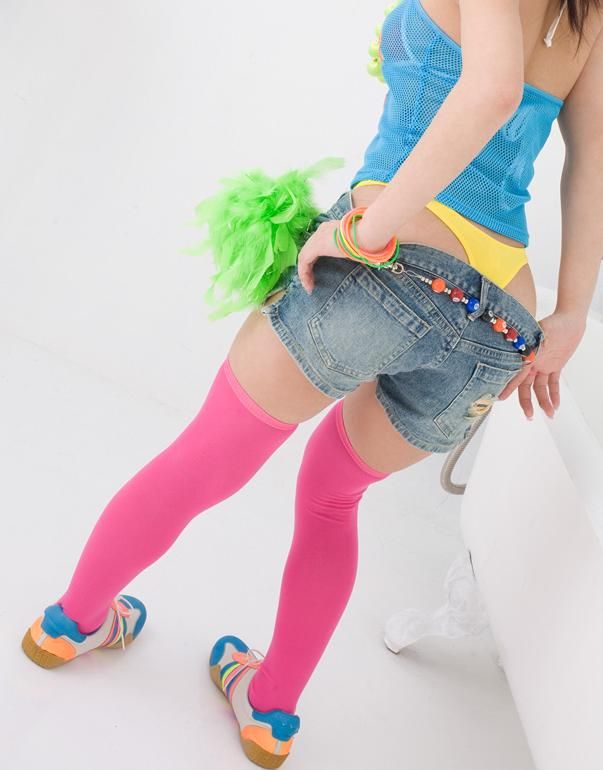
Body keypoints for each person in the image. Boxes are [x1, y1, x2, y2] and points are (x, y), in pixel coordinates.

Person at [21, 1, 603, 767]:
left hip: (388, 255)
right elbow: (593, 159)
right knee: (333, 498)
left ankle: (72, 623)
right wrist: (570, 313)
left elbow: (491, 89)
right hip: (497, 322)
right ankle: (270, 711)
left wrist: (365, 231)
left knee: (208, 457)